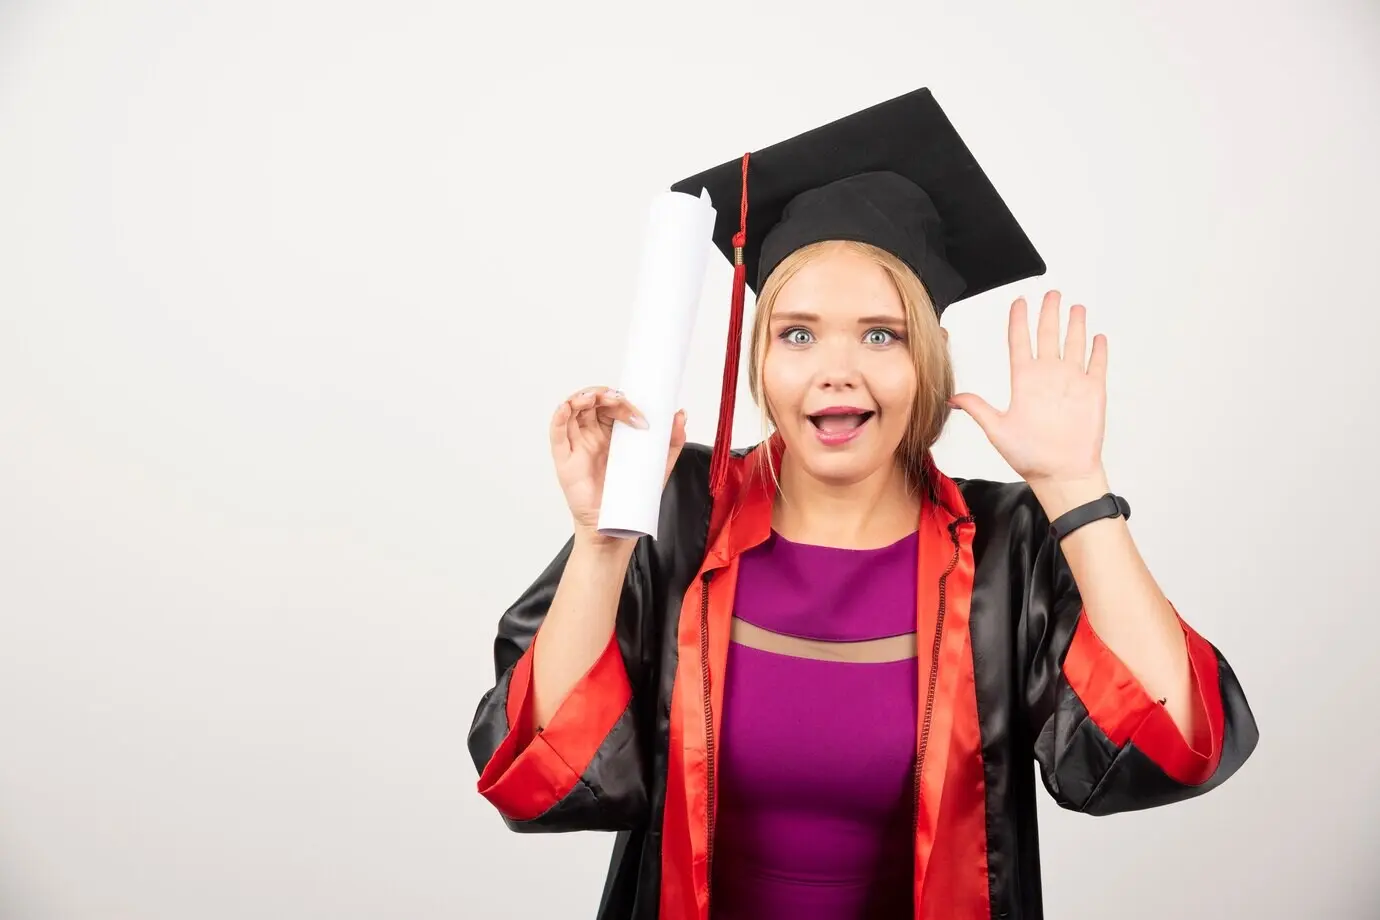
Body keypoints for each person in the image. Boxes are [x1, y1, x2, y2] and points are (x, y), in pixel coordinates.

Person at [466, 87, 1258, 920]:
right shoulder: (676, 515)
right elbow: (542, 775)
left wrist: (1077, 493)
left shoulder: (1007, 545)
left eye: (880, 334)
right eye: (797, 333)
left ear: (929, 360)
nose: (834, 370)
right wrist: (601, 539)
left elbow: (1172, 745)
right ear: (760, 359)